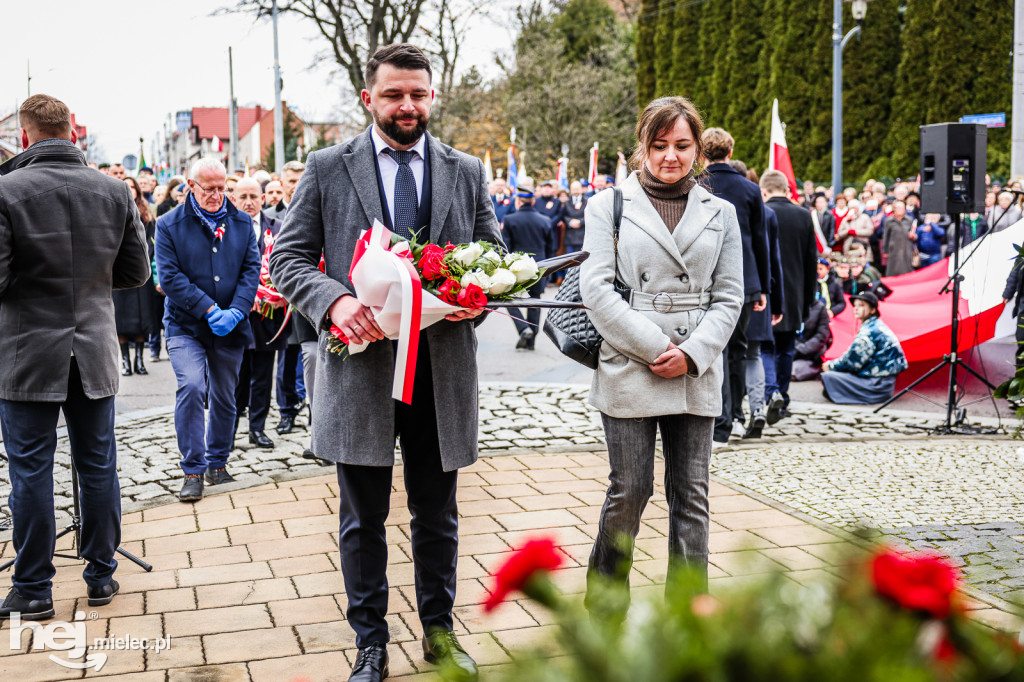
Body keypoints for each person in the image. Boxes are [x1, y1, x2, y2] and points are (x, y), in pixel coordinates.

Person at [269, 43, 502, 682]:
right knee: (362, 516)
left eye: (418, 94)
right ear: (367, 98)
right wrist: (336, 302)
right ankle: (370, 641)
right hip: (362, 363)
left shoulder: (465, 170)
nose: (407, 105)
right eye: (394, 94)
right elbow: (286, 259)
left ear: (433, 97)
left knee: (438, 513)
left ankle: (439, 634)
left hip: (440, 367)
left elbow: (494, 256)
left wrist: (470, 299)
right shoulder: (326, 166)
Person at [579, 96, 742, 607]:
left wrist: (692, 353)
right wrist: (656, 347)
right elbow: (596, 290)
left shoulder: (723, 212)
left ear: (698, 148)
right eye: (659, 145)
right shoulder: (609, 205)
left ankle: (688, 614)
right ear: (643, 147)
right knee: (629, 491)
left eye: (682, 145)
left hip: (697, 366)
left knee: (691, 495)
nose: (670, 156)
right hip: (631, 361)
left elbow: (729, 294)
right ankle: (605, 606)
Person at [0, 94, 151, 619]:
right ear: (71, 131)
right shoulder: (113, 191)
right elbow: (136, 274)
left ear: (25, 136)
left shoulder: (6, 191)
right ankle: (101, 575)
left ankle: (35, 588)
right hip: (92, 348)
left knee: (31, 473)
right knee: (97, 464)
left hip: (26, 354)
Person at [155, 158, 260, 502]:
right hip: (185, 324)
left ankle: (218, 463)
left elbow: (250, 269)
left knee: (226, 394)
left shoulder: (242, 222)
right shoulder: (169, 224)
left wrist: (237, 311)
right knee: (192, 385)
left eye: (222, 188)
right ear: (190, 185)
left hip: (231, 324)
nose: (217, 195)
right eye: (209, 188)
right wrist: (209, 308)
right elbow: (169, 277)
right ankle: (193, 470)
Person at [700, 127, 769, 443]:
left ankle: (719, 420)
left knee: (713, 350)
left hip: (705, 276)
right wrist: (763, 287)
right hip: (745, 279)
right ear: (730, 151)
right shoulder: (749, 189)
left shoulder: (696, 184)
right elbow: (760, 242)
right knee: (738, 350)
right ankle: (736, 417)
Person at [231, 178, 289, 449]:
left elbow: (288, 265)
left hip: (268, 316)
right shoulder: (224, 227)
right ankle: (227, 431)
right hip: (236, 316)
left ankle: (258, 428)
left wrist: (281, 295)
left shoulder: (278, 228)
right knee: (235, 377)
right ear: (234, 199)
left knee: (263, 376)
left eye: (254, 196)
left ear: (263, 199)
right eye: (243, 196)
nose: (249, 202)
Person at [760, 169, 817, 424]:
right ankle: (781, 394)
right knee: (786, 349)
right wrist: (808, 300)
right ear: (787, 189)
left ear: (763, 191)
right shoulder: (803, 215)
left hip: (765, 292)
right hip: (794, 293)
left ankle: (769, 393)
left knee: (765, 348)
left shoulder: (759, 213)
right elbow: (811, 263)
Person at [821, 291, 907, 404]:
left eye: (861, 305)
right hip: (883, 382)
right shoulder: (874, 325)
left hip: (877, 385)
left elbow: (853, 361)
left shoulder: (869, 331)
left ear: (873, 310)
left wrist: (831, 365)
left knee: (828, 376)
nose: (856, 309)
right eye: (855, 306)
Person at [501, 178, 557, 350]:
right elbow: (551, 247)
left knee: (508, 299)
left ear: (518, 200)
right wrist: (546, 270)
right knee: (535, 301)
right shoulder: (545, 220)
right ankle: (531, 340)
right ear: (533, 200)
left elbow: (506, 246)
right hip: (539, 264)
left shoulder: (510, 219)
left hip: (516, 265)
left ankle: (523, 328)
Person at [113, 177, 156, 376]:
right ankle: (125, 361)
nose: (129, 190)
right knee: (121, 319)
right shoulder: (112, 207)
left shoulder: (146, 213)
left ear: (138, 191)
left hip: (140, 273)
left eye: (132, 187)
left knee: (141, 318)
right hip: (119, 272)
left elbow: (150, 242)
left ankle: (139, 359)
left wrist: (141, 261)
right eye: (126, 186)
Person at [791, 297, 832, 381]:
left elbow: (821, 336)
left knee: (792, 371)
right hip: (791, 351)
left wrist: (799, 350)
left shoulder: (820, 308)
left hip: (811, 355)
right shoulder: (792, 304)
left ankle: (815, 369)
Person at [881, 200, 916, 276]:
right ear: (894, 209)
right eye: (898, 208)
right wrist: (885, 251)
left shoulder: (909, 220)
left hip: (906, 247)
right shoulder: (889, 221)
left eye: (902, 208)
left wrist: (913, 236)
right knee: (893, 268)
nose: (900, 210)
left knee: (906, 268)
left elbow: (914, 234)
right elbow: (885, 236)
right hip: (893, 248)